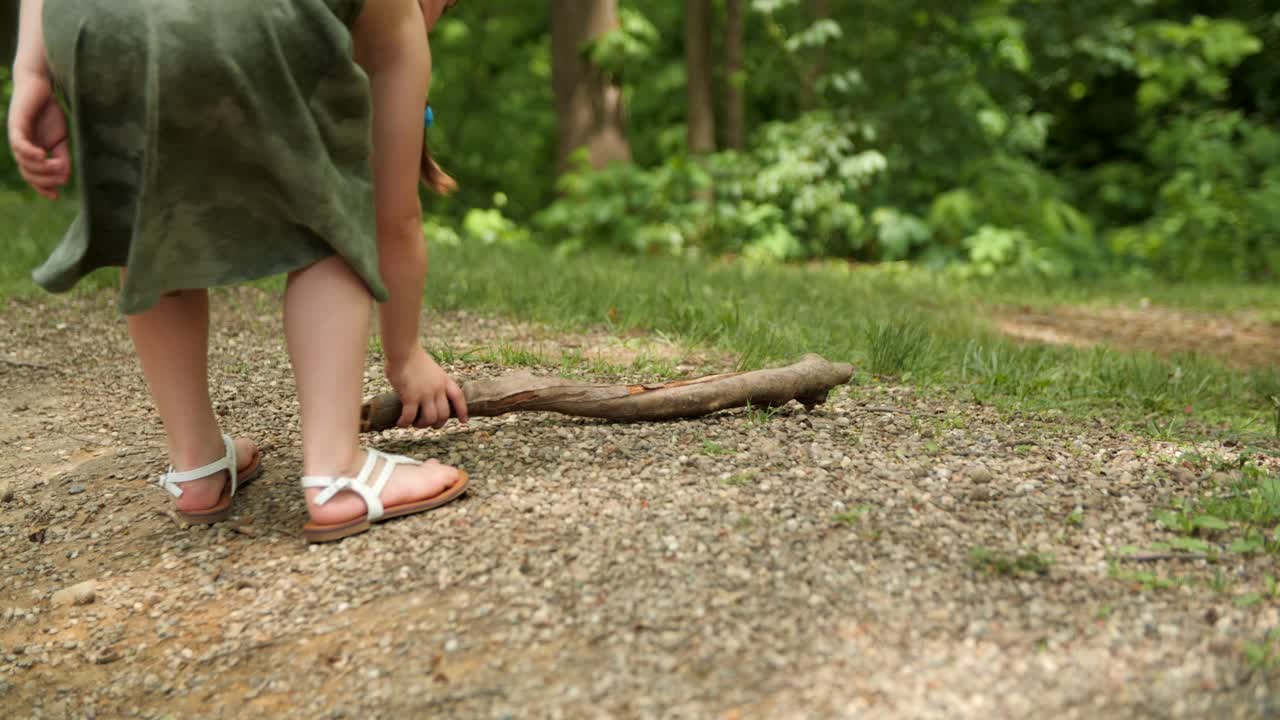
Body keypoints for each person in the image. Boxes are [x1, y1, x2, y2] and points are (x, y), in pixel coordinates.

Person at [6, 0, 470, 542]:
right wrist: (405, 356)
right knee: (332, 210)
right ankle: (336, 470)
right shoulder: (398, 12)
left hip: (92, 19)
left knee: (157, 211)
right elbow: (394, 220)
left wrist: (30, 69)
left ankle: (197, 464)